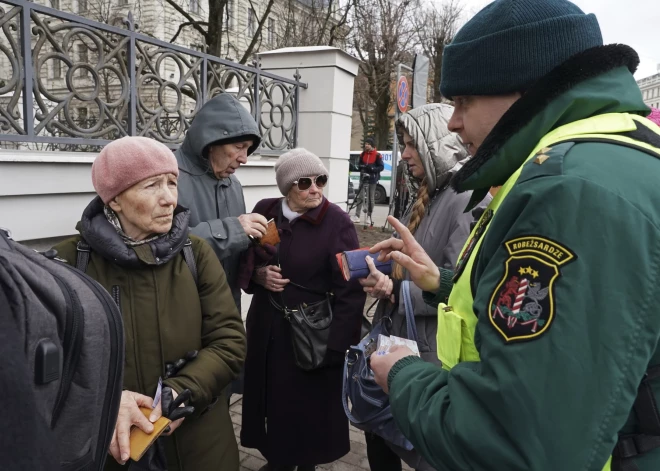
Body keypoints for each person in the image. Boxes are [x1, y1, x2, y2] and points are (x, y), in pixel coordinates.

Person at [368, 0, 660, 470]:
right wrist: (440, 282)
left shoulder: (569, 191)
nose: (452, 122)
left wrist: (400, 374)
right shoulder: (613, 152)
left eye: (464, 102)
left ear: (526, 91)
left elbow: (511, 441)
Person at [53, 136, 247, 470]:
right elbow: (49, 362)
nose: (169, 199)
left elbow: (229, 341)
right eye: (152, 185)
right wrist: (108, 400)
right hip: (109, 447)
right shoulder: (69, 263)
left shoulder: (195, 253)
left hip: (198, 446)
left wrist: (181, 392)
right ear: (114, 199)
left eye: (172, 183)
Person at [358, 103, 490, 471]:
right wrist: (388, 268)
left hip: (429, 354)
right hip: (402, 343)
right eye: (403, 144)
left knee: (420, 451)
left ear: (438, 143)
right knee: (382, 439)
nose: (405, 154)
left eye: (413, 144)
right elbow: (424, 266)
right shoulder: (430, 193)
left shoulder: (465, 198)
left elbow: (462, 289)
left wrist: (394, 290)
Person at [240, 148, 366, 471]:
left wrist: (336, 348)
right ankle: (278, 459)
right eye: (305, 182)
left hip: (312, 336)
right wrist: (257, 276)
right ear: (287, 188)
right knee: (269, 403)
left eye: (321, 180)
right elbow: (246, 257)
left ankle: (300, 462)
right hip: (267, 331)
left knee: (304, 411)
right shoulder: (265, 211)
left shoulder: (336, 222)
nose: (316, 189)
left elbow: (350, 289)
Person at [175, 93, 267, 310]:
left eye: (248, 148)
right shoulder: (168, 177)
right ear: (211, 141)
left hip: (227, 310)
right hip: (183, 312)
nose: (244, 158)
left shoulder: (233, 184)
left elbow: (233, 257)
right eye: (239, 146)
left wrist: (257, 271)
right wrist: (232, 230)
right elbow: (163, 248)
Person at [353, 137, 384, 223]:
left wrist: (373, 168)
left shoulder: (377, 155)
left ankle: (369, 216)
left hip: (372, 179)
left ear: (372, 145)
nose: (366, 145)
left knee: (371, 198)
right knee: (360, 197)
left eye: (368, 144)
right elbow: (359, 165)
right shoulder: (362, 154)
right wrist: (361, 167)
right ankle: (357, 215)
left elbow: (381, 167)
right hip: (363, 178)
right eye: (365, 144)